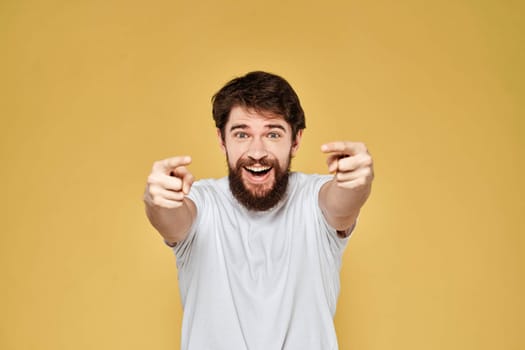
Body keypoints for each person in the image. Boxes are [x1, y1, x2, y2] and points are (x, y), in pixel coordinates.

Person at [144, 71, 374, 350]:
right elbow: (173, 221)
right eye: (242, 134)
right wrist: (157, 201)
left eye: (273, 134)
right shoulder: (201, 202)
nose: (256, 151)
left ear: (296, 141)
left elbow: (342, 203)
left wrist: (359, 182)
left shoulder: (314, 199)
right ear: (221, 140)